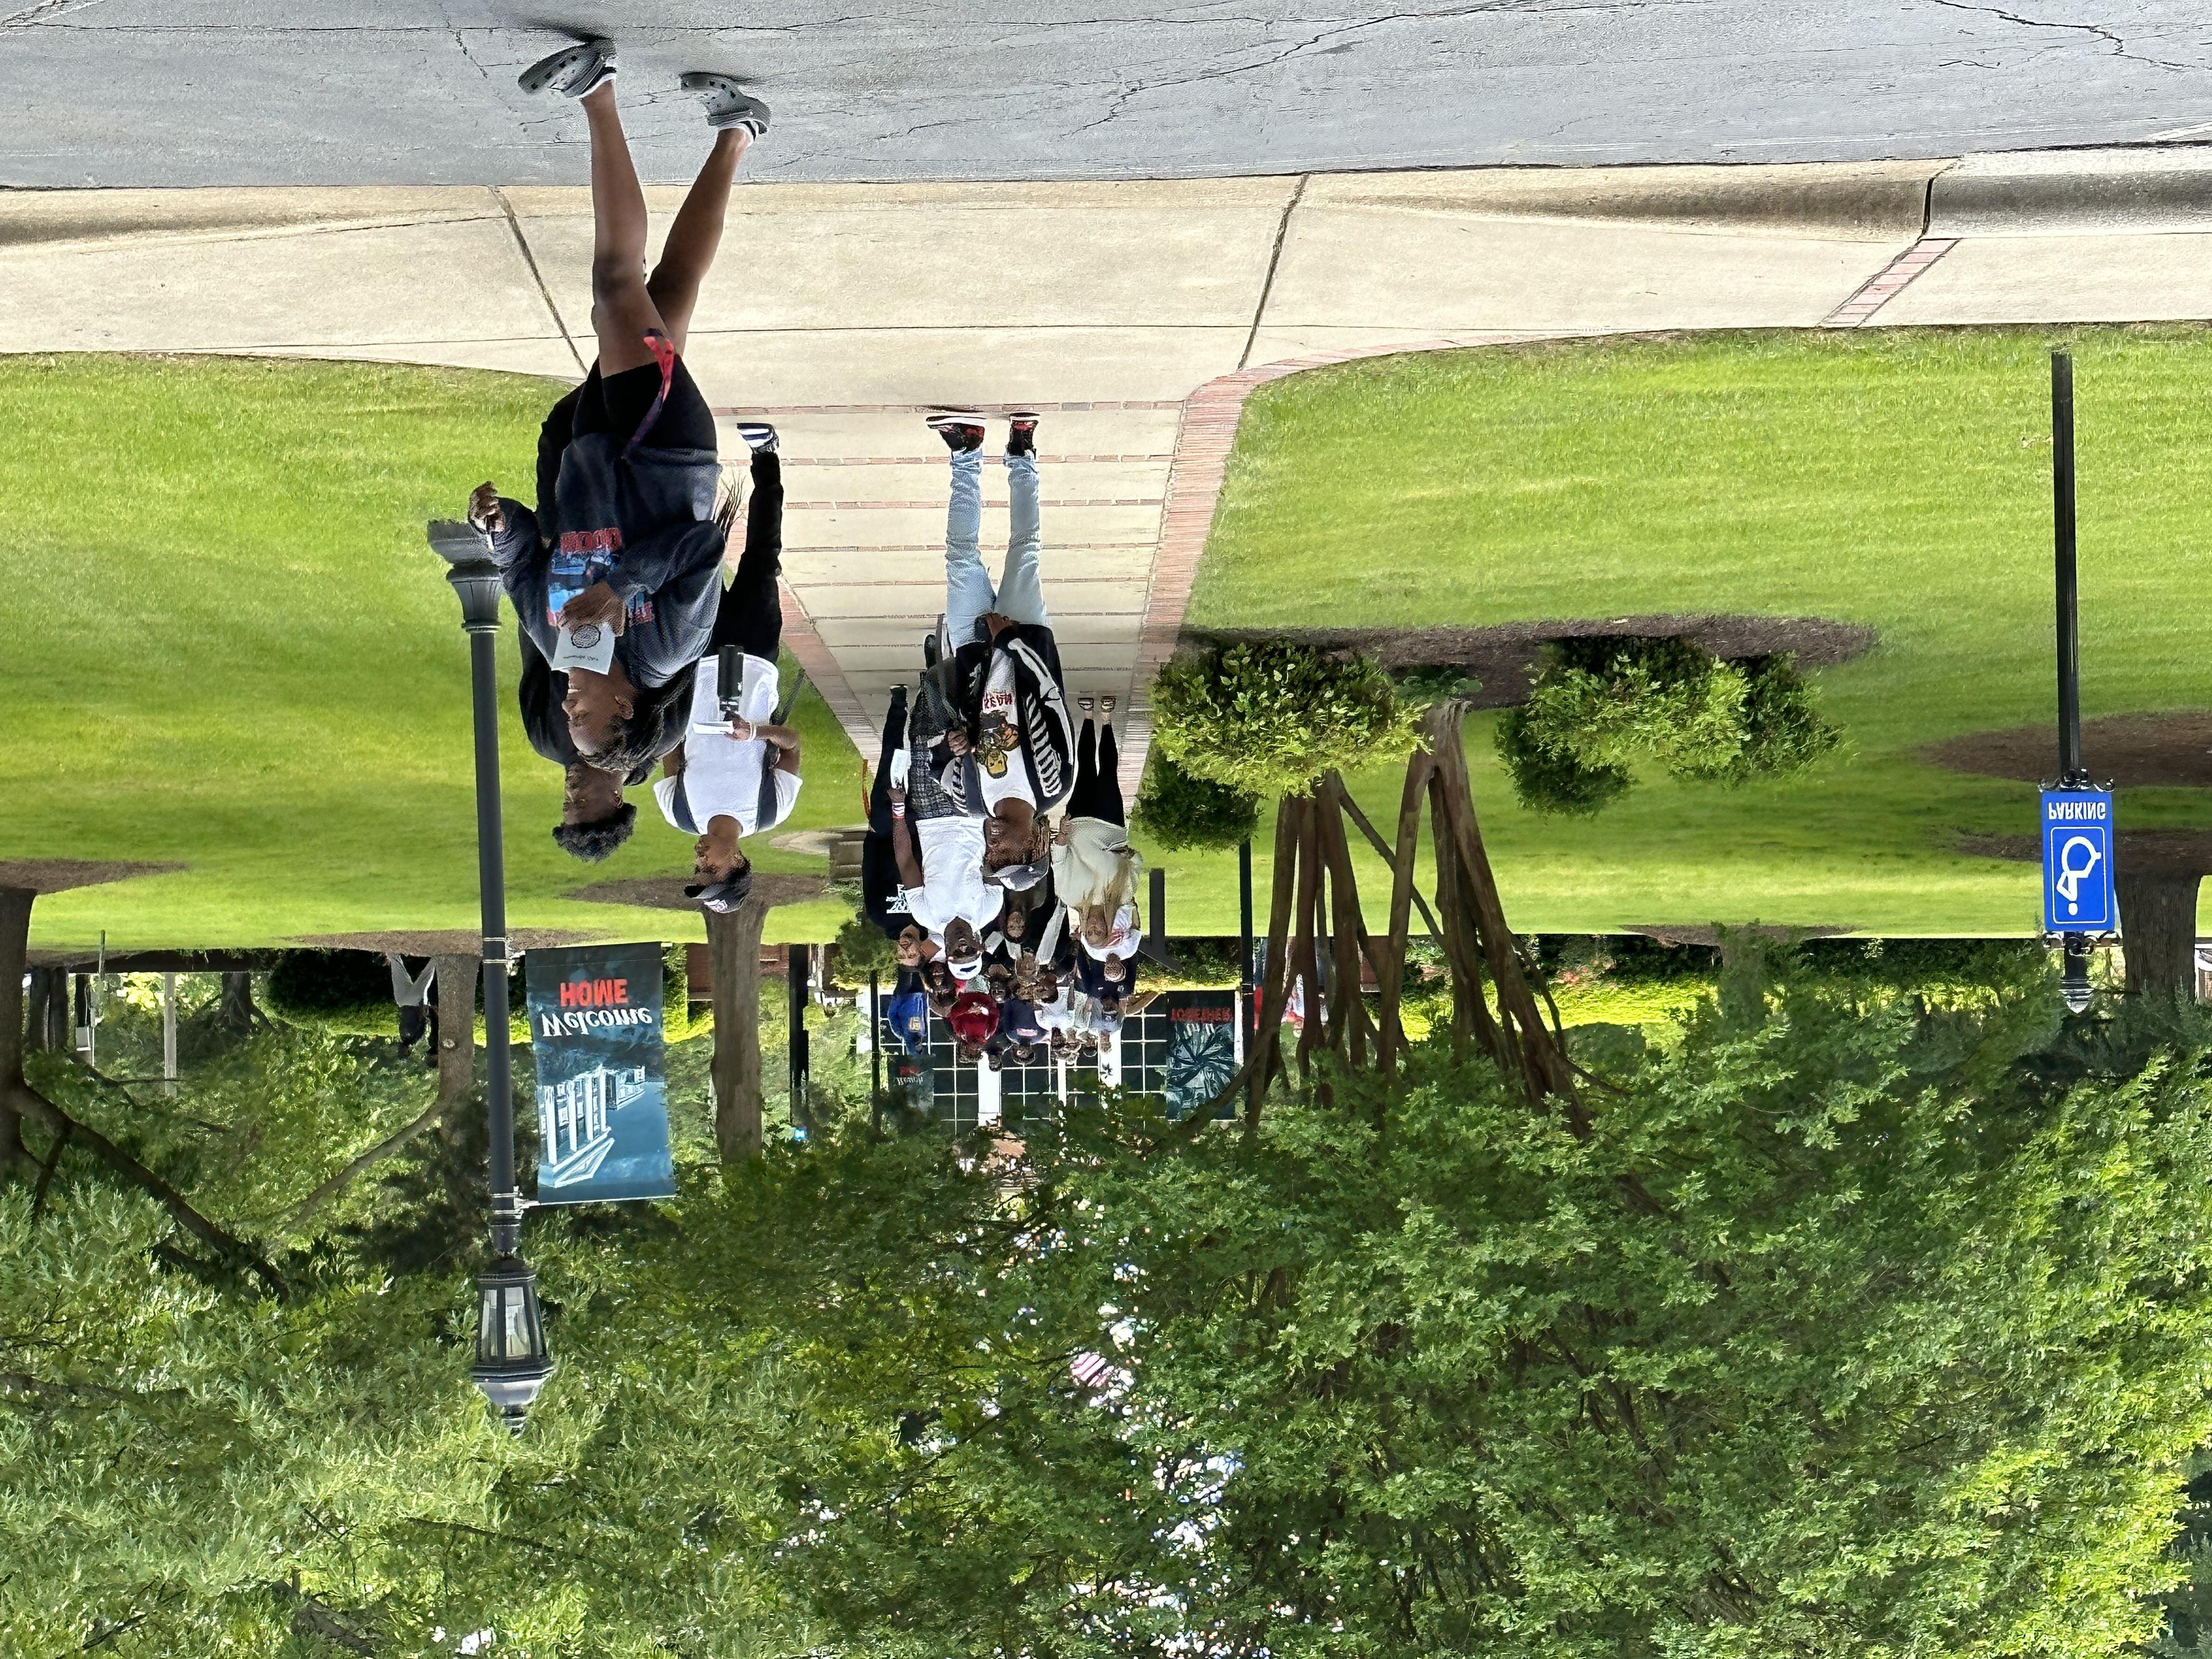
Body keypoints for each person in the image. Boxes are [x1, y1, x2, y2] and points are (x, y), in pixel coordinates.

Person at [472, 38, 771, 779]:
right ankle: (597, 90)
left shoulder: (556, 642)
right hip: (664, 449)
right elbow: (702, 549)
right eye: (583, 715)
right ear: (627, 707)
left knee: (667, 288)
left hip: (599, 445)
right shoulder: (667, 646)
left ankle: (737, 132)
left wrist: (500, 528)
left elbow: (520, 572)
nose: (567, 704)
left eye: (566, 717)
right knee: (615, 284)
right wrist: (622, 586)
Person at [926, 412, 1075, 891]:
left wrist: (954, 744)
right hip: (1022, 637)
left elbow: (934, 763)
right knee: (1025, 549)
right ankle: (1022, 456)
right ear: (1035, 845)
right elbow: (1052, 698)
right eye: (1006, 854)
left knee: (959, 556)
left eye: (992, 856)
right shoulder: (1056, 785)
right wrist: (1010, 640)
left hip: (972, 651)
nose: (993, 847)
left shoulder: (970, 799)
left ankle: (966, 452)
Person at [656, 426, 798, 908]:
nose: (701, 859)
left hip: (699, 654)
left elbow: (669, 741)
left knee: (700, 563)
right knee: (761, 559)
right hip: (756, 658)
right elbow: (794, 742)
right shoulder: (770, 809)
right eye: (711, 867)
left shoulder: (678, 810)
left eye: (697, 868)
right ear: (737, 862)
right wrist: (756, 734)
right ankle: (766, 459)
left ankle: (686, 469)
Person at [1052, 706, 1144, 960]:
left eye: (1090, 933)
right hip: (1110, 828)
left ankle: (1088, 717)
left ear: (1083, 929)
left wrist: (1061, 837)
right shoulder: (1121, 896)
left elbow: (1059, 863)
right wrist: (1131, 855)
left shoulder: (1070, 895)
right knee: (1107, 773)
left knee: (1084, 771)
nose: (1094, 928)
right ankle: (1106, 721)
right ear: (1108, 926)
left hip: (1078, 825)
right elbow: (1136, 868)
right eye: (1099, 931)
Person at [386, 954, 436, 1051]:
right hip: (402, 1001)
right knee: (398, 971)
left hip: (416, 1002)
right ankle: (391, 954)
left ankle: (436, 959)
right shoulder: (403, 1034)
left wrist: (425, 1007)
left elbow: (423, 1019)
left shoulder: (415, 1037)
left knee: (426, 977)